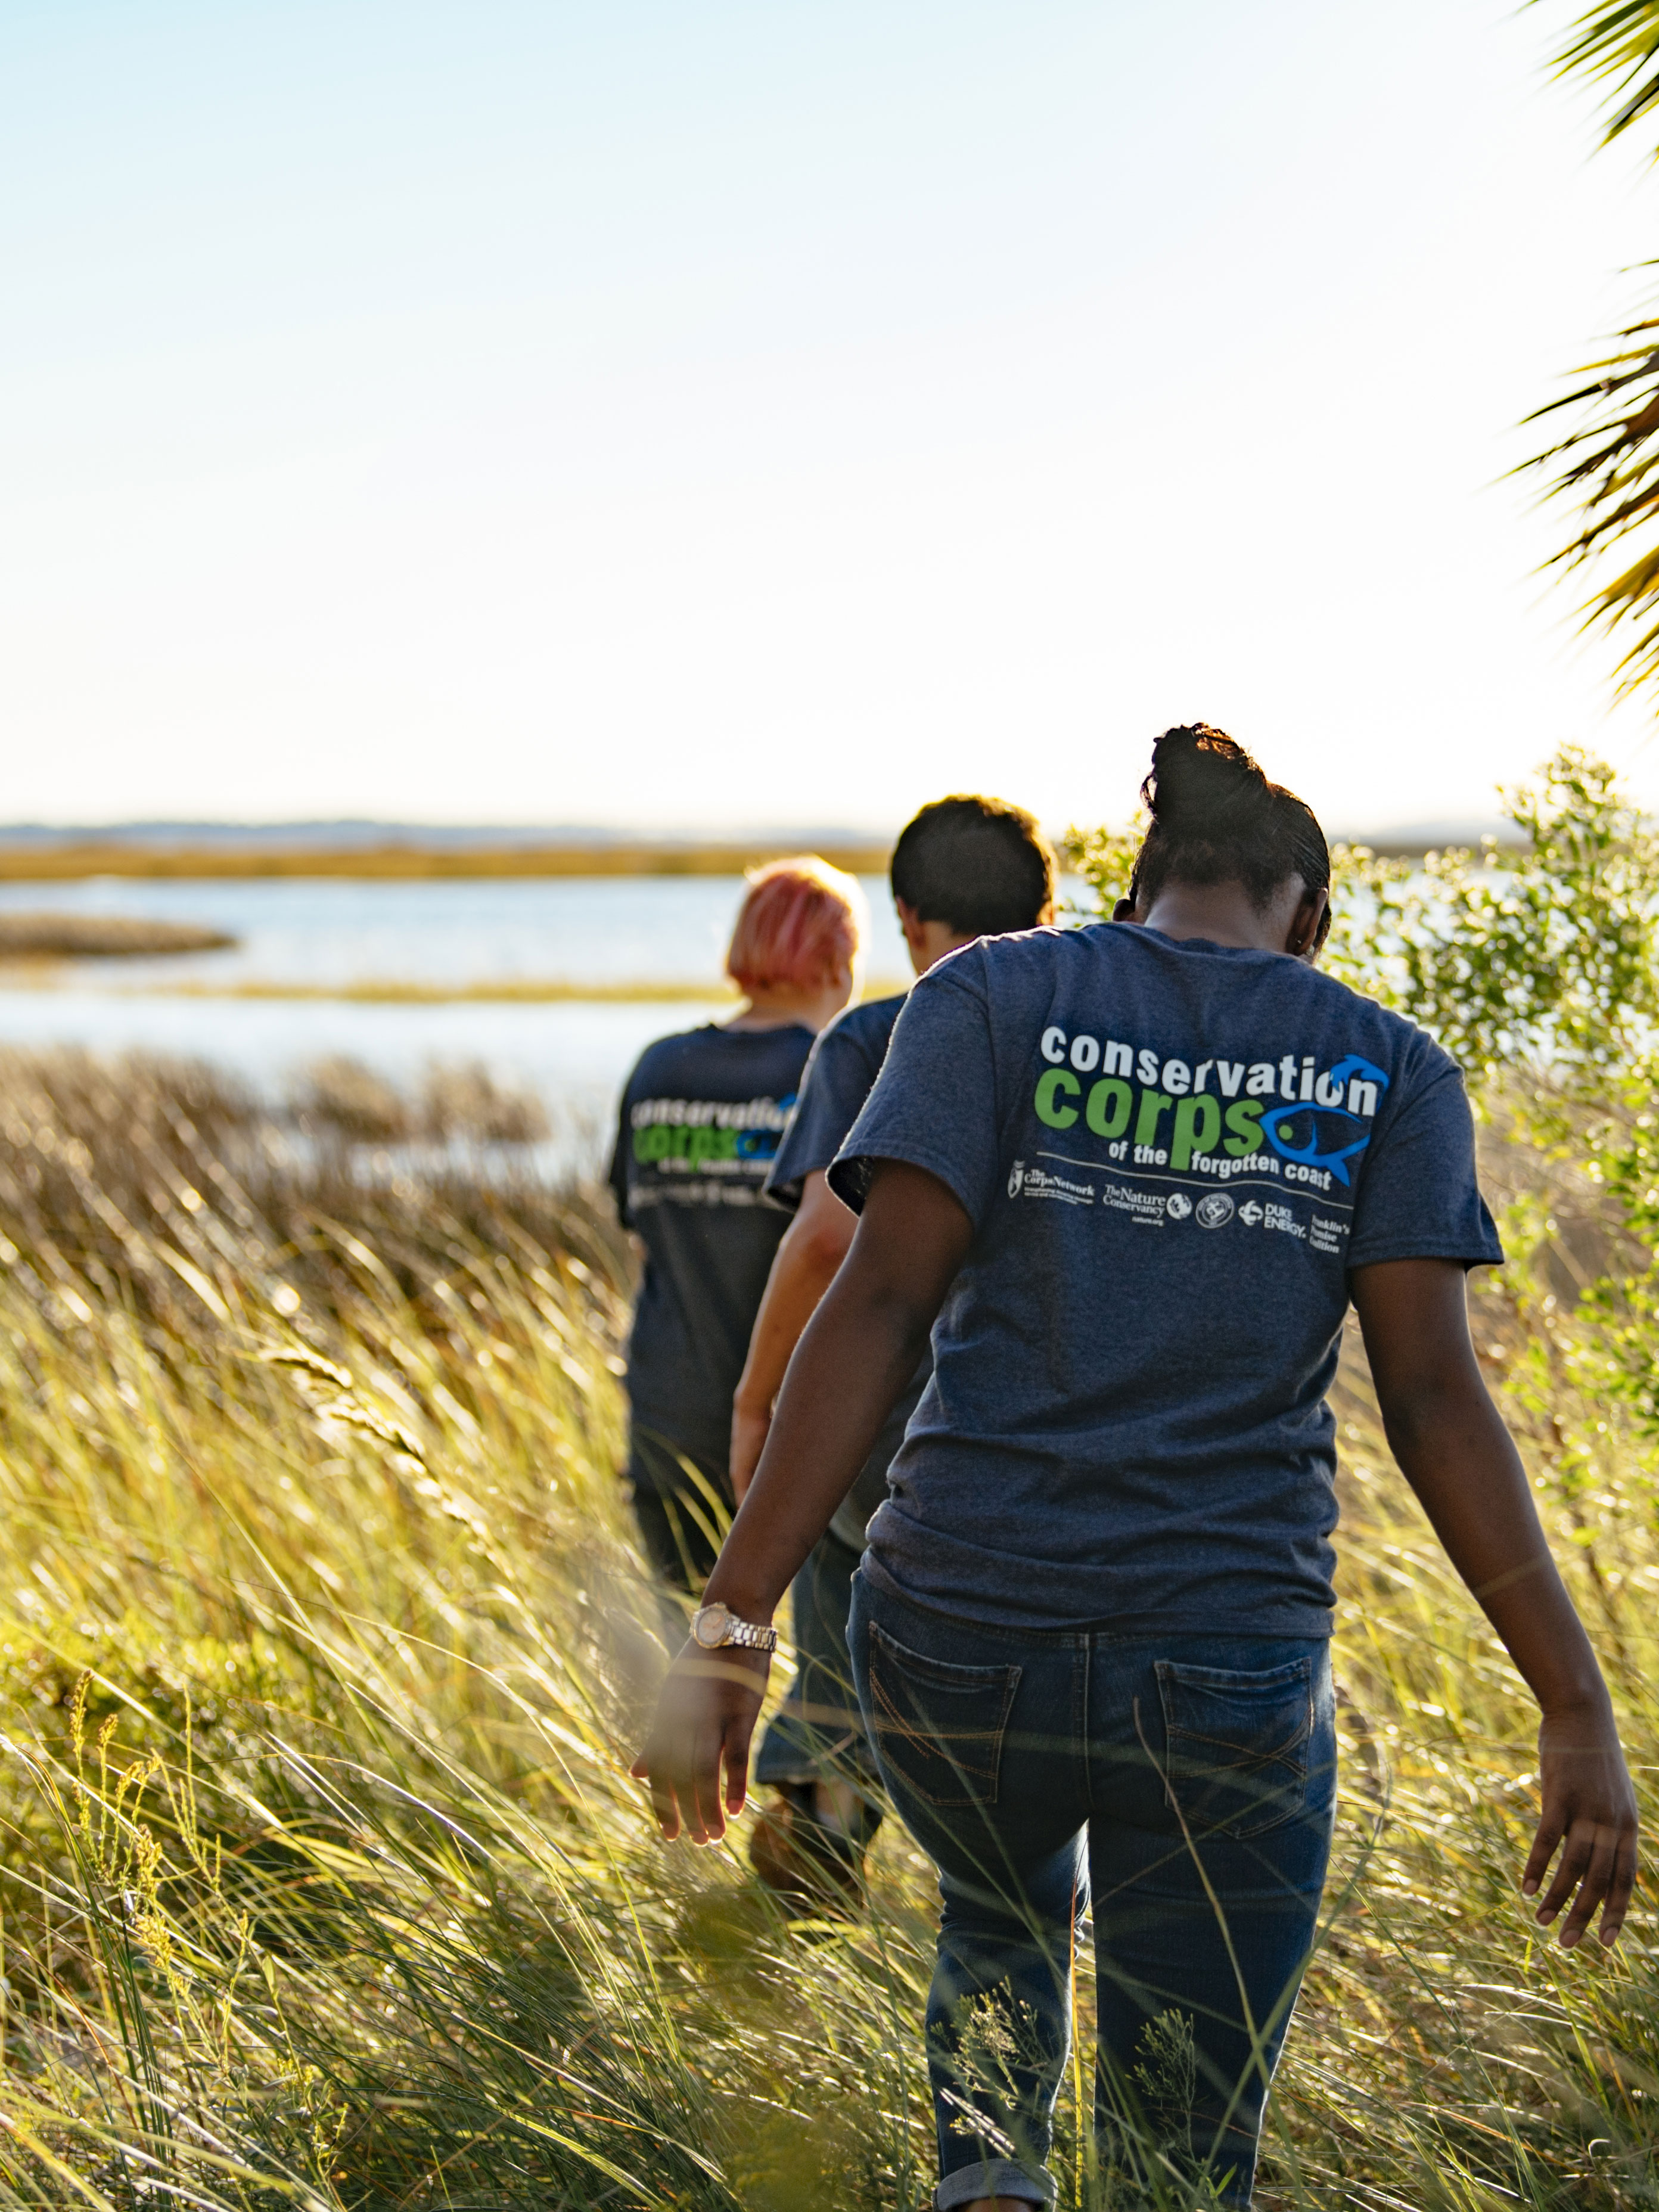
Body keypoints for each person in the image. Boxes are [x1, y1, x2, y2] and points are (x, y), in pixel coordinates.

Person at [632, 726, 1639, 2211]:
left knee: (994, 1920)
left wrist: (730, 1627)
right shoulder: (1383, 1061)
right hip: (1220, 1660)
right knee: (1180, 2146)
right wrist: (1569, 1700)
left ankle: (986, 2179)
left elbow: (876, 1299)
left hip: (954, 1633)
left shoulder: (988, 994)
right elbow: (1432, 1399)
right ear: (1304, 914)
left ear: (1136, 885)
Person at [735, 796, 1057, 1905]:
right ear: (1045, 910)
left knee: (837, 1619)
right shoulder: (1081, 1039)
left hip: (881, 1447)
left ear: (905, 916)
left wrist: (754, 1398)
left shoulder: (869, 1038)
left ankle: (825, 1830)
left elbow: (826, 1237)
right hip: (1030, 1444)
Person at [608, 856, 863, 1592]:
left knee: (685, 1657)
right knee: (810, 1676)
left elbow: (641, 1242)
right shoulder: (830, 1070)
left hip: (665, 1412)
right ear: (836, 958)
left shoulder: (659, 1069)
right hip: (794, 1428)